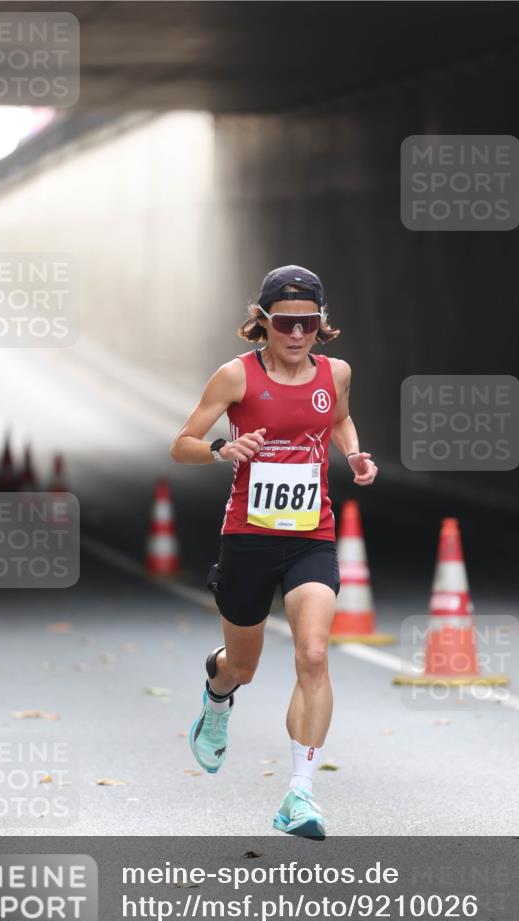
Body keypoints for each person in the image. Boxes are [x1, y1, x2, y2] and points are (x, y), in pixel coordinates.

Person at [170, 265, 377, 839]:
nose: (296, 333)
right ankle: (217, 698)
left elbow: (337, 418)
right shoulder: (235, 377)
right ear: (262, 322)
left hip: (312, 535)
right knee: (244, 666)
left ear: (322, 323)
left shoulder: (335, 373)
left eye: (308, 322)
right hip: (248, 536)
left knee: (313, 655)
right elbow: (181, 444)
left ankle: (299, 795)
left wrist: (354, 453)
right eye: (285, 322)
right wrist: (222, 449)